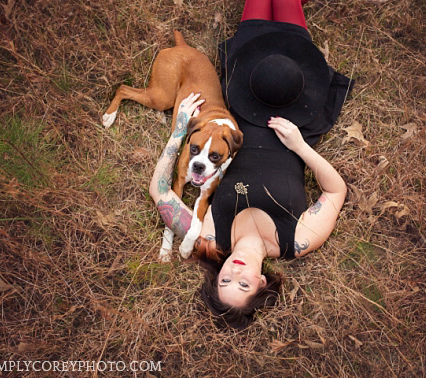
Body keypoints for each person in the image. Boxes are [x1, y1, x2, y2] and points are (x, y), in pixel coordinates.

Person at [149, 0, 354, 329]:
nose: (234, 272)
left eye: (225, 281)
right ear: (261, 284)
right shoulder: (297, 241)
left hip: (249, 91)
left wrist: (178, 133)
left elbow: (159, 189)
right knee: (290, 21)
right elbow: (335, 190)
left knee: (255, 23)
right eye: (243, 284)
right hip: (291, 95)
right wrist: (300, 147)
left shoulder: (211, 237)